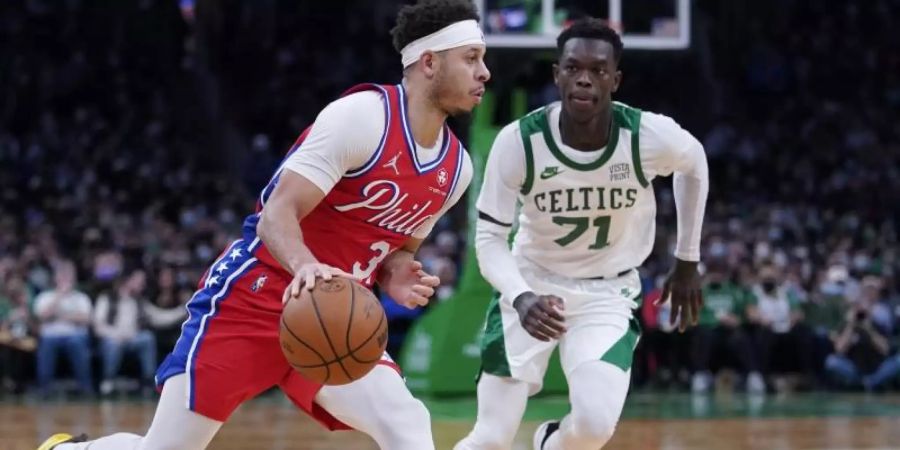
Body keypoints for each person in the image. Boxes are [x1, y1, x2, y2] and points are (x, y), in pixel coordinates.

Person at [39, 0, 488, 449]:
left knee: (407, 421)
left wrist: (396, 271)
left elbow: (397, 249)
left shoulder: (457, 170)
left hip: (328, 321)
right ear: (429, 62)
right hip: (252, 298)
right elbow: (277, 213)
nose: (484, 72)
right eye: (471, 58)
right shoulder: (363, 118)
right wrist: (306, 266)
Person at [454, 18, 708, 450]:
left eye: (598, 70)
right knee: (491, 438)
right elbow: (490, 239)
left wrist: (686, 260)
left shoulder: (646, 135)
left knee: (592, 427)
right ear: (557, 75)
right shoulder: (519, 140)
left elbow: (695, 164)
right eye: (573, 68)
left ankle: (549, 443)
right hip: (531, 284)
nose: (584, 79)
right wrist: (520, 295)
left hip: (607, 295)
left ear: (616, 79)